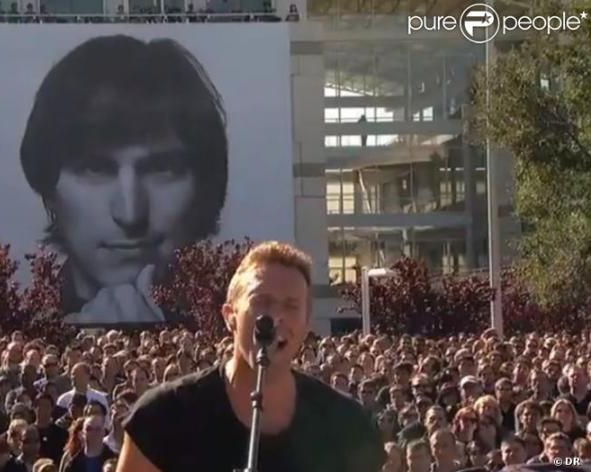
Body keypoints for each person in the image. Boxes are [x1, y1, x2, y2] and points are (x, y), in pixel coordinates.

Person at [117, 242, 385, 472]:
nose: (275, 317)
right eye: (261, 302)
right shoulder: (163, 416)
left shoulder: (347, 426)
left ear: (306, 323)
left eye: (291, 306)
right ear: (230, 316)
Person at [19, 34, 228, 325]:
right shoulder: (21, 319)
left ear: (204, 184)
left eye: (162, 169)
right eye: (95, 169)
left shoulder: (233, 314)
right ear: (47, 185)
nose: (130, 214)